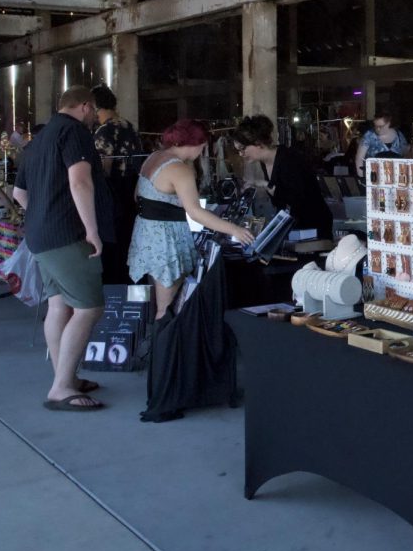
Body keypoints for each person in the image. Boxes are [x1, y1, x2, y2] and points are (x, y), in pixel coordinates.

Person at [13, 86, 115, 411]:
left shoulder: (37, 140)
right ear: (85, 106)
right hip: (69, 235)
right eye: (94, 110)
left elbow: (19, 194)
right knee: (89, 308)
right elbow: (80, 181)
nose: (95, 116)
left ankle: (65, 377)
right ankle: (60, 388)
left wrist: (41, 216)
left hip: (40, 236)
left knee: (59, 306)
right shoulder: (75, 133)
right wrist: (92, 229)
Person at [128, 120, 254, 319]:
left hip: (146, 234)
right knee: (168, 308)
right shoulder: (180, 169)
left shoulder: (153, 158)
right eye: (203, 146)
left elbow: (137, 196)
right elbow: (195, 211)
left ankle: (156, 346)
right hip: (167, 239)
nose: (202, 151)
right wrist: (234, 229)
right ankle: (165, 348)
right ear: (196, 142)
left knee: (155, 305)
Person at [233, 114, 333, 240]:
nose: (241, 154)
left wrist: (264, 184)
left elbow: (296, 199)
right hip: (296, 225)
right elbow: (280, 201)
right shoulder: (265, 162)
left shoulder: (289, 159)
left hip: (313, 226)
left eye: (242, 149)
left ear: (258, 143)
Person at [91, 84, 143, 285]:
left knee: (112, 245)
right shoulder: (129, 126)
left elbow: (104, 168)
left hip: (113, 193)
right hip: (133, 189)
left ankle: (113, 289)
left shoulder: (104, 131)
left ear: (95, 106)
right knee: (127, 242)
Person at [354, 111, 408, 178]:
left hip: (396, 177)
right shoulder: (369, 136)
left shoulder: (399, 135)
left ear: (388, 123)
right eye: (375, 126)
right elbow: (359, 158)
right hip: (374, 177)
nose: (377, 129)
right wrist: (362, 178)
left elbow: (407, 156)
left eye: (380, 126)